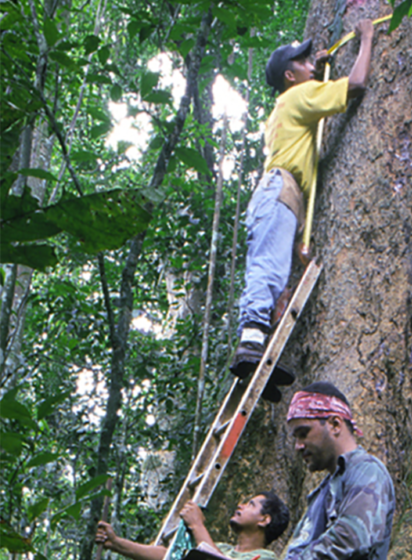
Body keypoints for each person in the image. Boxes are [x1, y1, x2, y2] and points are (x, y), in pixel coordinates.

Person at [230, 20, 376, 402]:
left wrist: (299, 236)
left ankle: (254, 351)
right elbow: (356, 85)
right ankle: (250, 344)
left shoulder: (288, 102)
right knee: (268, 269)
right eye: (303, 61)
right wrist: (367, 39)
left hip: (283, 196)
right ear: (290, 75)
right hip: (280, 191)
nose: (311, 63)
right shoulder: (297, 97)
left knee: (275, 272)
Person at [284, 381, 395, 559]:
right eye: (295, 438)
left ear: (335, 425)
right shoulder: (324, 490)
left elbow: (352, 537)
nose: (298, 446)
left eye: (303, 433)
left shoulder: (367, 471)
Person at [95, 492, 290, 560]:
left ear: (264, 520)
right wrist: (117, 543)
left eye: (251, 504)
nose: (241, 506)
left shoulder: (268, 558)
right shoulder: (221, 549)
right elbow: (169, 555)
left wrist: (197, 526)